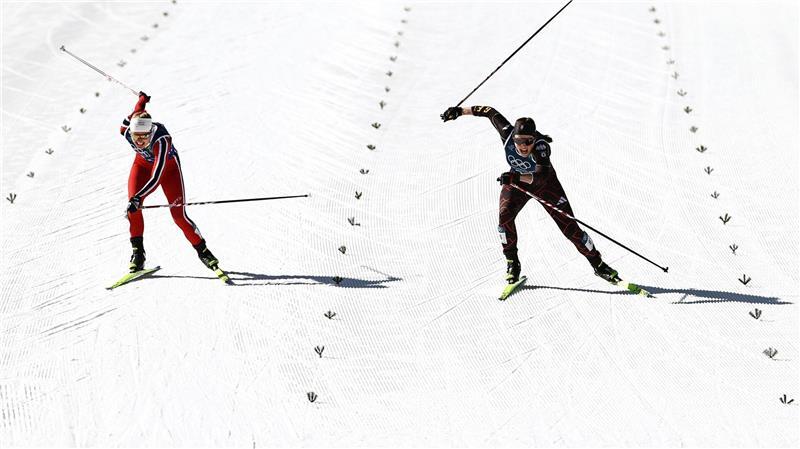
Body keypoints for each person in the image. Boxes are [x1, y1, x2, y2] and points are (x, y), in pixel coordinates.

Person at [440, 105, 619, 284]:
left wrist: (515, 177)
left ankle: (599, 264)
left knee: (571, 229)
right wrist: (459, 111)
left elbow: (540, 177)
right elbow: (488, 111)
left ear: (534, 138)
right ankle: (512, 263)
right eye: (519, 141)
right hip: (517, 181)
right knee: (504, 219)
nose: (522, 146)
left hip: (546, 186)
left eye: (527, 141)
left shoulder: (541, 146)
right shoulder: (507, 133)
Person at [120, 92, 221, 273]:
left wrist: (139, 196)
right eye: (136, 138)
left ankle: (203, 251)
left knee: (178, 216)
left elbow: (157, 176)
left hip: (168, 170)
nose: (140, 141)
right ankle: (138, 254)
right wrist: (142, 100)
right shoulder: (127, 132)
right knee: (132, 208)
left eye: (144, 137)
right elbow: (136, 112)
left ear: (151, 131)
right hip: (141, 166)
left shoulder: (162, 140)